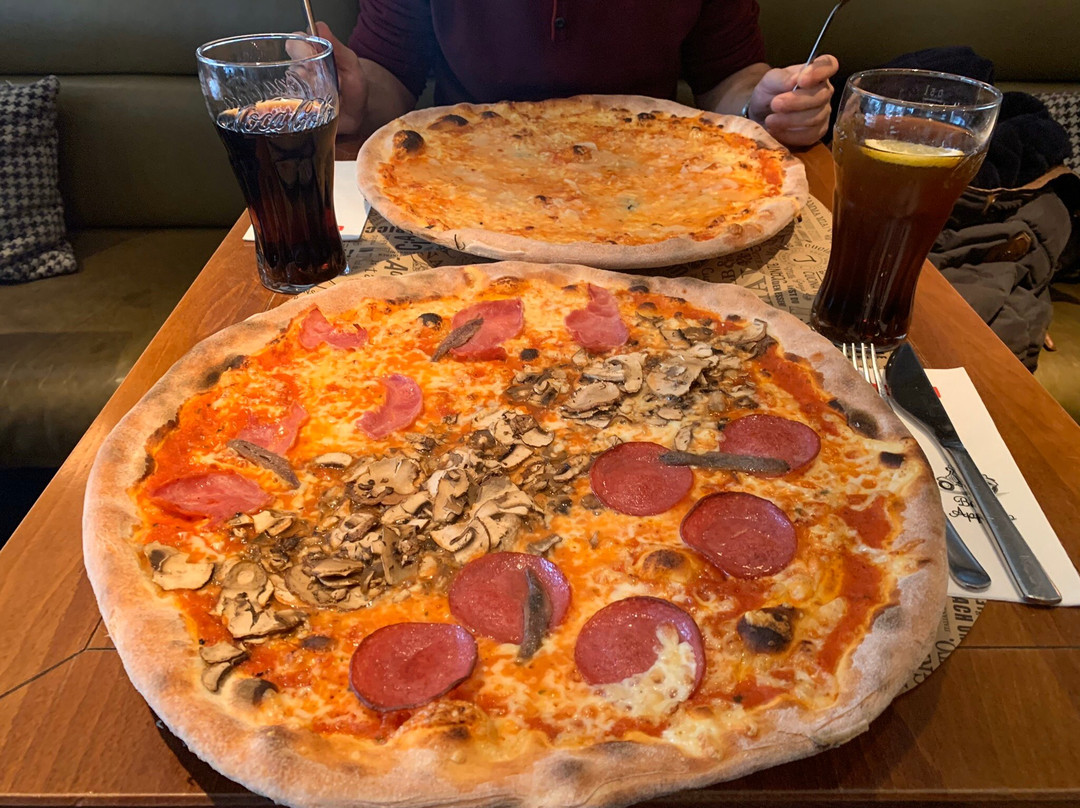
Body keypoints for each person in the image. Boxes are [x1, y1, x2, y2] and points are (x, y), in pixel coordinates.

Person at [316, 1, 838, 148]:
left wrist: (764, 106)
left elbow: (730, 76)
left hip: (660, 187)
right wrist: (355, 94)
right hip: (454, 177)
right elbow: (388, 75)